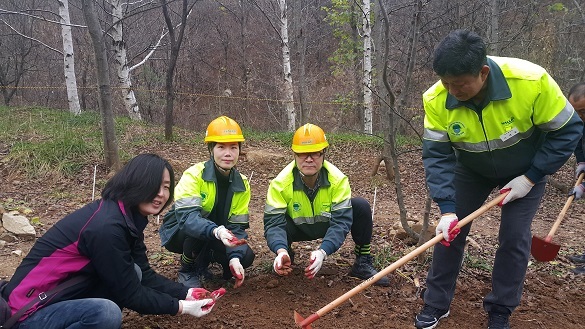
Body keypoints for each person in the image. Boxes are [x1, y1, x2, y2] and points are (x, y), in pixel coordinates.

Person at [415, 30, 583, 329]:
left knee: (514, 236)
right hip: (471, 170)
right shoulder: (435, 98)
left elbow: (568, 131)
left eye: (461, 84)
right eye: (446, 82)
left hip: (526, 170)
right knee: (449, 234)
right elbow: (437, 156)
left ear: (483, 72)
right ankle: (436, 304)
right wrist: (447, 207)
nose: (452, 91)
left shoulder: (531, 82)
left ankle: (501, 308)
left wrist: (531, 178)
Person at [1, 154, 217, 329]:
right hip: (26, 314)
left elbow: (144, 274)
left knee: (135, 272)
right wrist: (183, 307)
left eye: (167, 187)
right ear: (136, 183)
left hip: (59, 297)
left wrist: (185, 292)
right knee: (105, 313)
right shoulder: (107, 228)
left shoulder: (126, 217)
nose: (161, 194)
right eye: (154, 185)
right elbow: (130, 294)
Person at [263, 123, 390, 287]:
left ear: (323, 154)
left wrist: (323, 252)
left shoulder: (338, 180)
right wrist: (280, 250)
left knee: (360, 206)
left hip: (325, 224)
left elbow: (341, 222)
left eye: (315, 153)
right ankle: (286, 257)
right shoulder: (279, 184)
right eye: (302, 154)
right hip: (295, 228)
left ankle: (362, 262)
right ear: (294, 154)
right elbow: (273, 224)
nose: (309, 159)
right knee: (278, 223)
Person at [160, 116, 254, 289]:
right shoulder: (194, 175)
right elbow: (188, 219)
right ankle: (187, 269)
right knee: (195, 231)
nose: (228, 153)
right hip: (181, 232)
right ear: (211, 149)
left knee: (246, 256)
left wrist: (234, 258)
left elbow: (237, 226)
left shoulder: (242, 183)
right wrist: (215, 230)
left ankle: (208, 261)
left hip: (218, 234)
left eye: (233, 147)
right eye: (221, 147)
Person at [566, 82, 585, 275]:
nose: (579, 117)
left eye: (583, 111)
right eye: (575, 112)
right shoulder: (580, 124)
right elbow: (579, 143)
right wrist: (581, 162)